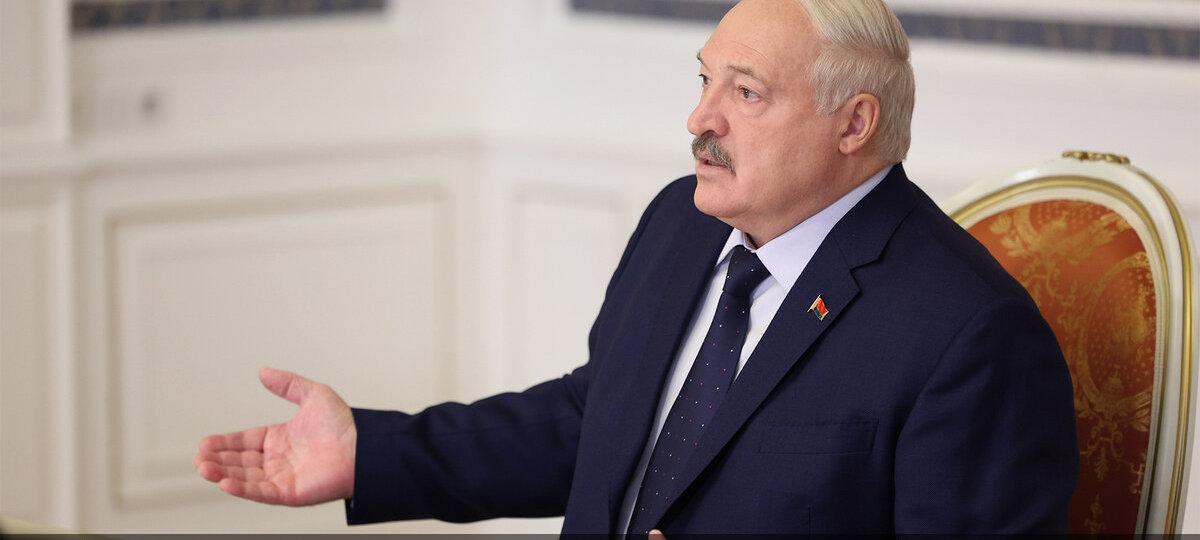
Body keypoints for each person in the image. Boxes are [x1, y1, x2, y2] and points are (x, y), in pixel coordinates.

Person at [195, 0, 1079, 534]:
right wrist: (373, 454)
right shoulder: (682, 224)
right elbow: (599, 421)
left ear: (854, 124)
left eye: (746, 93)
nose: (700, 120)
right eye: (704, 81)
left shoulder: (969, 335)